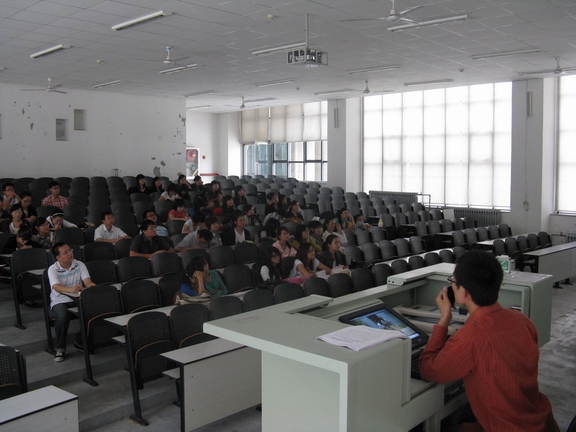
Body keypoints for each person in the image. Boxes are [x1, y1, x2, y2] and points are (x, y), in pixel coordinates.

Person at [419, 251, 559, 432]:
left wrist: (444, 319)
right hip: (541, 422)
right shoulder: (523, 321)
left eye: (453, 281)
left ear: (464, 291)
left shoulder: (470, 338)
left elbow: (428, 370)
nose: (452, 285)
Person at [48, 242, 96, 362]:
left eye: (70, 250)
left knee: (93, 311)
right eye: (65, 252)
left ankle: (80, 341)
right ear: (58, 257)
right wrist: (71, 289)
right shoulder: (53, 269)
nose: (70, 253)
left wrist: (90, 285)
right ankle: (60, 348)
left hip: (77, 298)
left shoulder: (79, 264)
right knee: (62, 316)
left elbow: (87, 281)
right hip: (59, 300)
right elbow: (56, 287)